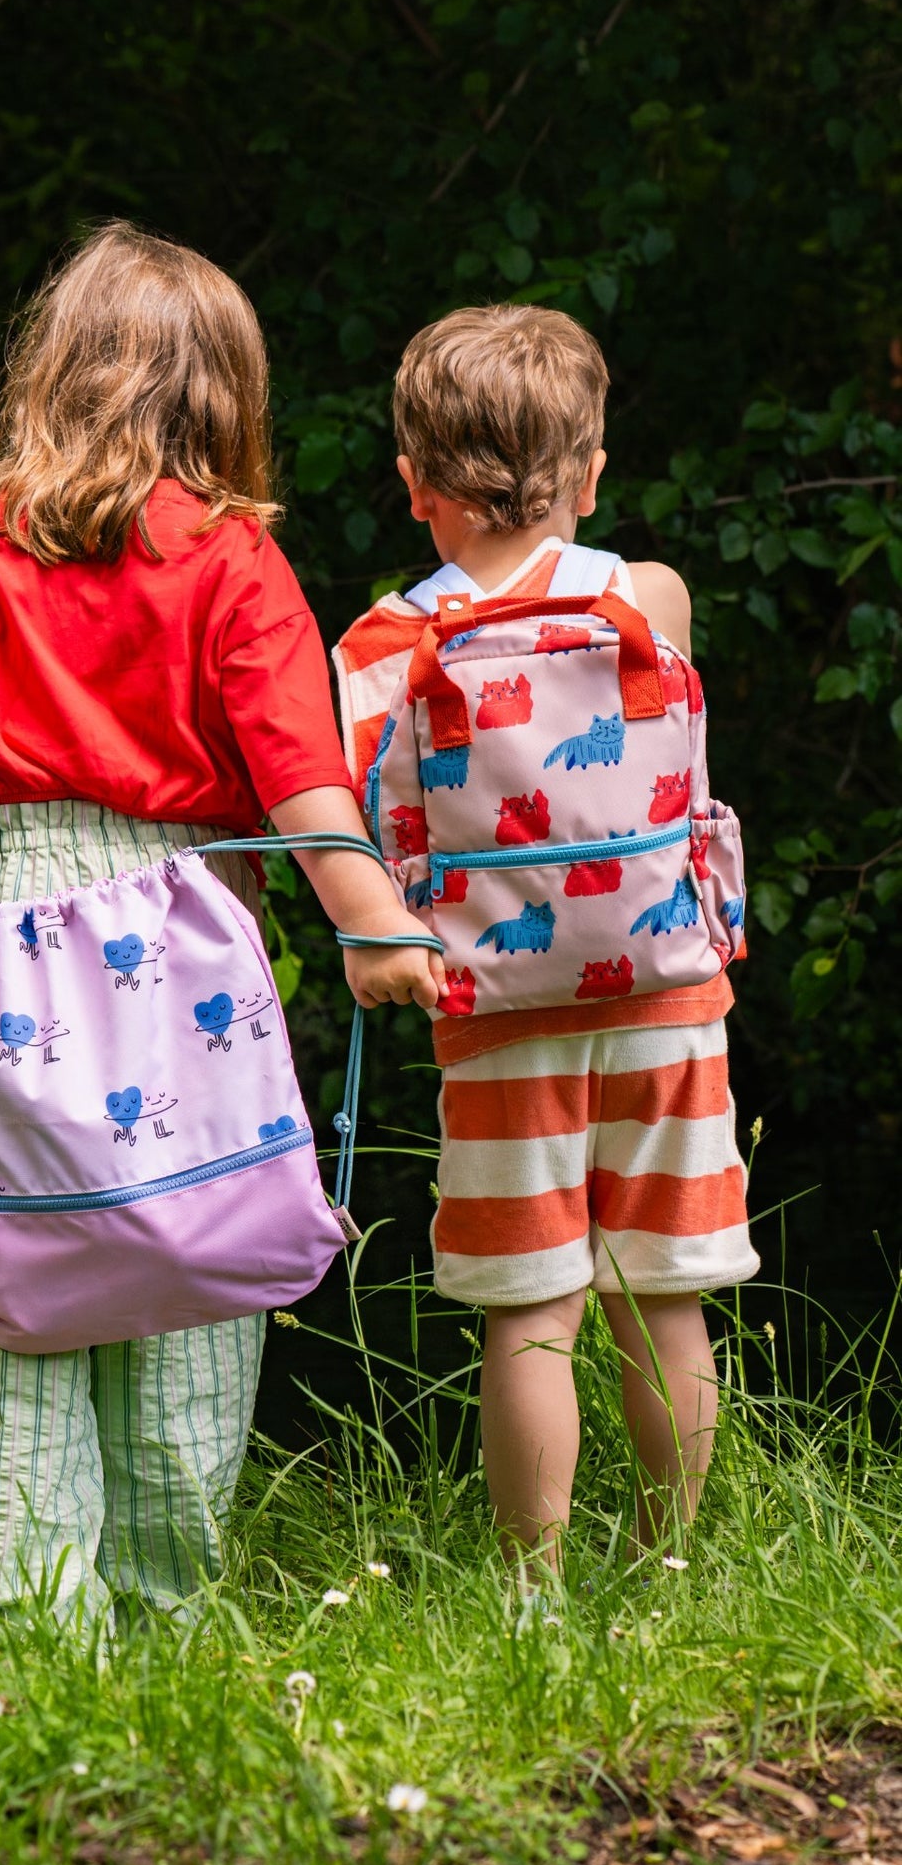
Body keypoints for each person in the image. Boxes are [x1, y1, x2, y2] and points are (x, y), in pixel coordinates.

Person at [0, 220, 438, 1626]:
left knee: (24, 1261)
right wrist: (373, 923)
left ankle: (35, 1612)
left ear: (51, 373)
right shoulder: (232, 562)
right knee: (192, 1258)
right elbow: (303, 777)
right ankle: (166, 1597)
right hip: (182, 921)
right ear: (226, 395)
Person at [333, 306, 758, 1578]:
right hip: (671, 1002)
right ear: (591, 473)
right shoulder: (651, 597)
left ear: (413, 486)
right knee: (663, 1297)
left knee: (530, 1321)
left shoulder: (384, 649)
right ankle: (670, 1558)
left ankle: (531, 1590)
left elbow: (344, 831)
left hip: (498, 1017)